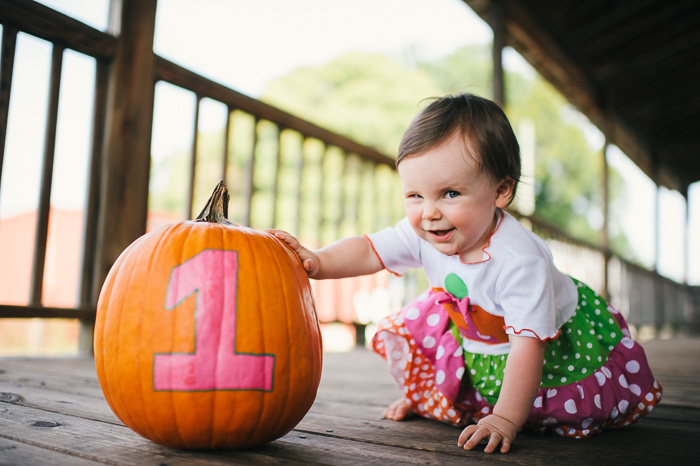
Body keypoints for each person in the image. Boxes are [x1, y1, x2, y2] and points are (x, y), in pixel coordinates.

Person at [269, 93, 662, 454]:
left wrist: (506, 418)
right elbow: (371, 249)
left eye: (450, 193)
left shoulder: (520, 261)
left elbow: (528, 348)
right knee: (437, 328)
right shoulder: (425, 228)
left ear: (501, 190)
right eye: (415, 195)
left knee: (548, 407)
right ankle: (433, 397)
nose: (429, 212)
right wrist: (317, 261)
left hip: (539, 341)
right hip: (472, 325)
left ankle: (501, 408)